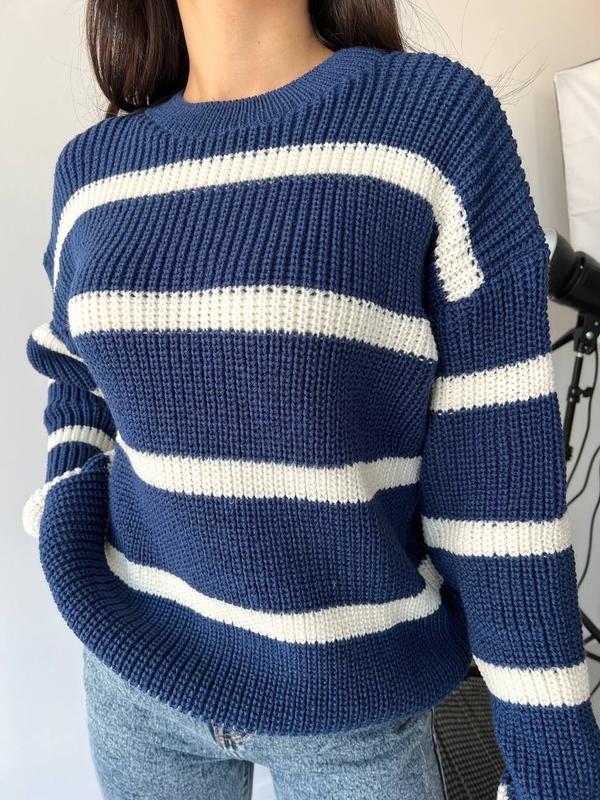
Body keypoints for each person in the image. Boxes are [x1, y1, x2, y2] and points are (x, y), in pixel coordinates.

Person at [22, 1, 600, 798]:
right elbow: (73, 372)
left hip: (353, 710)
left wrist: (554, 761)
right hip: (136, 676)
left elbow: (496, 478)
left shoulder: (430, 124)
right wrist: (64, 496)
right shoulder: (91, 171)